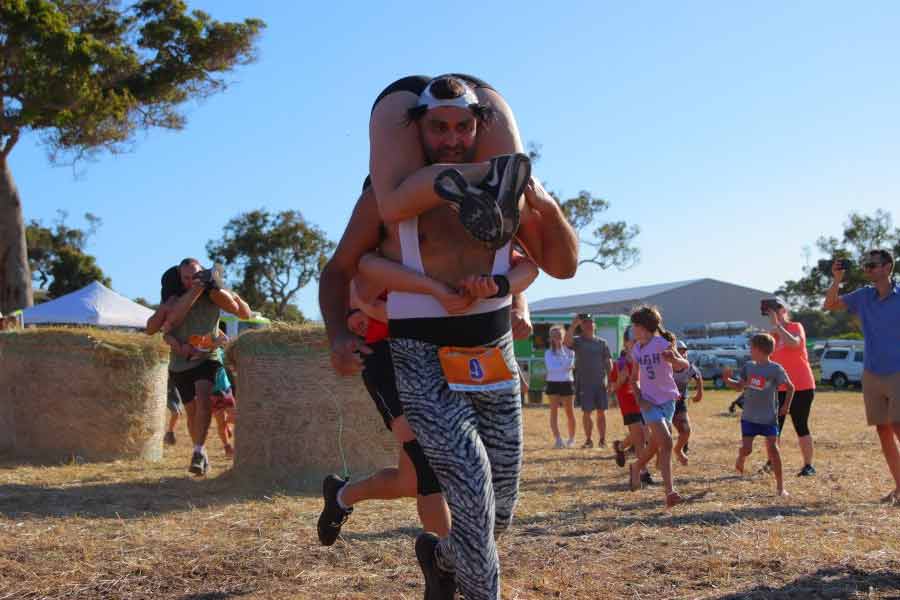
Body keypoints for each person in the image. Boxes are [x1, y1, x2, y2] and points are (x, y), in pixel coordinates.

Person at [146, 259, 251, 476]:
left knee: (204, 398)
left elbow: (242, 312)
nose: (190, 281)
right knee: (191, 413)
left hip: (208, 357)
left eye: (195, 276)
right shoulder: (173, 299)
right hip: (180, 363)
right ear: (179, 276)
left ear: (203, 274)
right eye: (185, 277)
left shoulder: (214, 295)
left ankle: (197, 450)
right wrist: (176, 344)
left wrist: (229, 293)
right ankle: (201, 453)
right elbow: (161, 326)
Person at [823, 249, 900, 503]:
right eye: (865, 265)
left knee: (898, 426)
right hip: (872, 372)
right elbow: (830, 305)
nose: (867, 269)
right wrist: (836, 279)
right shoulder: (864, 296)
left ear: (888, 267)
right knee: (883, 430)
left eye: (873, 265)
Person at [627, 306, 689, 508]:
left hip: (668, 400)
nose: (632, 329)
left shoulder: (661, 344)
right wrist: (639, 397)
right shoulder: (636, 348)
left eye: (635, 325)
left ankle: (636, 466)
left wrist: (674, 359)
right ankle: (670, 492)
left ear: (644, 326)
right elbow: (634, 378)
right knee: (667, 442)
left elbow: (683, 366)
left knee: (656, 444)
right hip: (648, 402)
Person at [723, 334, 795, 497]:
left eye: (751, 347)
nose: (749, 350)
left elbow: (790, 387)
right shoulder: (748, 367)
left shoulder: (775, 369)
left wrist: (786, 406)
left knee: (774, 450)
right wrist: (727, 380)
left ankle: (780, 488)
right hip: (749, 417)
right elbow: (739, 387)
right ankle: (741, 457)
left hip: (769, 417)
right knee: (747, 449)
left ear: (758, 349)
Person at [765, 297, 817, 476]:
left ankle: (808, 465)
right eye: (771, 310)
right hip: (778, 387)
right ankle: (772, 462)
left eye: (777, 309)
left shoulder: (796, 326)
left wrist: (779, 327)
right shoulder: (770, 335)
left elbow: (794, 343)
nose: (775, 313)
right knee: (773, 428)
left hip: (802, 385)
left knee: (801, 424)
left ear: (784, 310)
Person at [564, 314, 613, 448]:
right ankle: (588, 440)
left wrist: (611, 379)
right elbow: (566, 343)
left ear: (594, 325)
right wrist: (573, 325)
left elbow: (608, 361)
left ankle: (602, 440)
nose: (589, 325)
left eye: (591, 322)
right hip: (584, 383)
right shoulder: (578, 341)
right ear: (582, 326)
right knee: (587, 412)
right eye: (585, 323)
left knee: (601, 411)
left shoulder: (602, 343)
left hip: (600, 382)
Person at [610, 328, 652, 484]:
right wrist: (621, 379)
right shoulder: (619, 363)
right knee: (640, 437)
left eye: (638, 341)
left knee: (642, 435)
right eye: (633, 341)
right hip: (628, 403)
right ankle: (643, 472)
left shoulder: (643, 359)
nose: (636, 344)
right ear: (626, 343)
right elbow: (613, 387)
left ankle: (620, 447)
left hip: (644, 401)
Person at [672, 339, 703, 465]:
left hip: (680, 402)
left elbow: (698, 377)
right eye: (680, 351)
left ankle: (679, 448)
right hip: (665, 403)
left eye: (684, 351)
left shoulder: (689, 367)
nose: (683, 354)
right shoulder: (667, 366)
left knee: (685, 429)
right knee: (665, 433)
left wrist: (699, 393)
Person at [544, 325, 576, 448]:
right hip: (553, 384)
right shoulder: (547, 353)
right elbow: (551, 368)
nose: (557, 338)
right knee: (554, 412)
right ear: (551, 338)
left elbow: (568, 366)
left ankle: (572, 439)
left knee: (570, 412)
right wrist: (564, 366)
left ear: (563, 337)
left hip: (567, 383)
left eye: (559, 336)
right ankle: (558, 439)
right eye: (554, 336)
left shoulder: (571, 352)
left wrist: (562, 358)